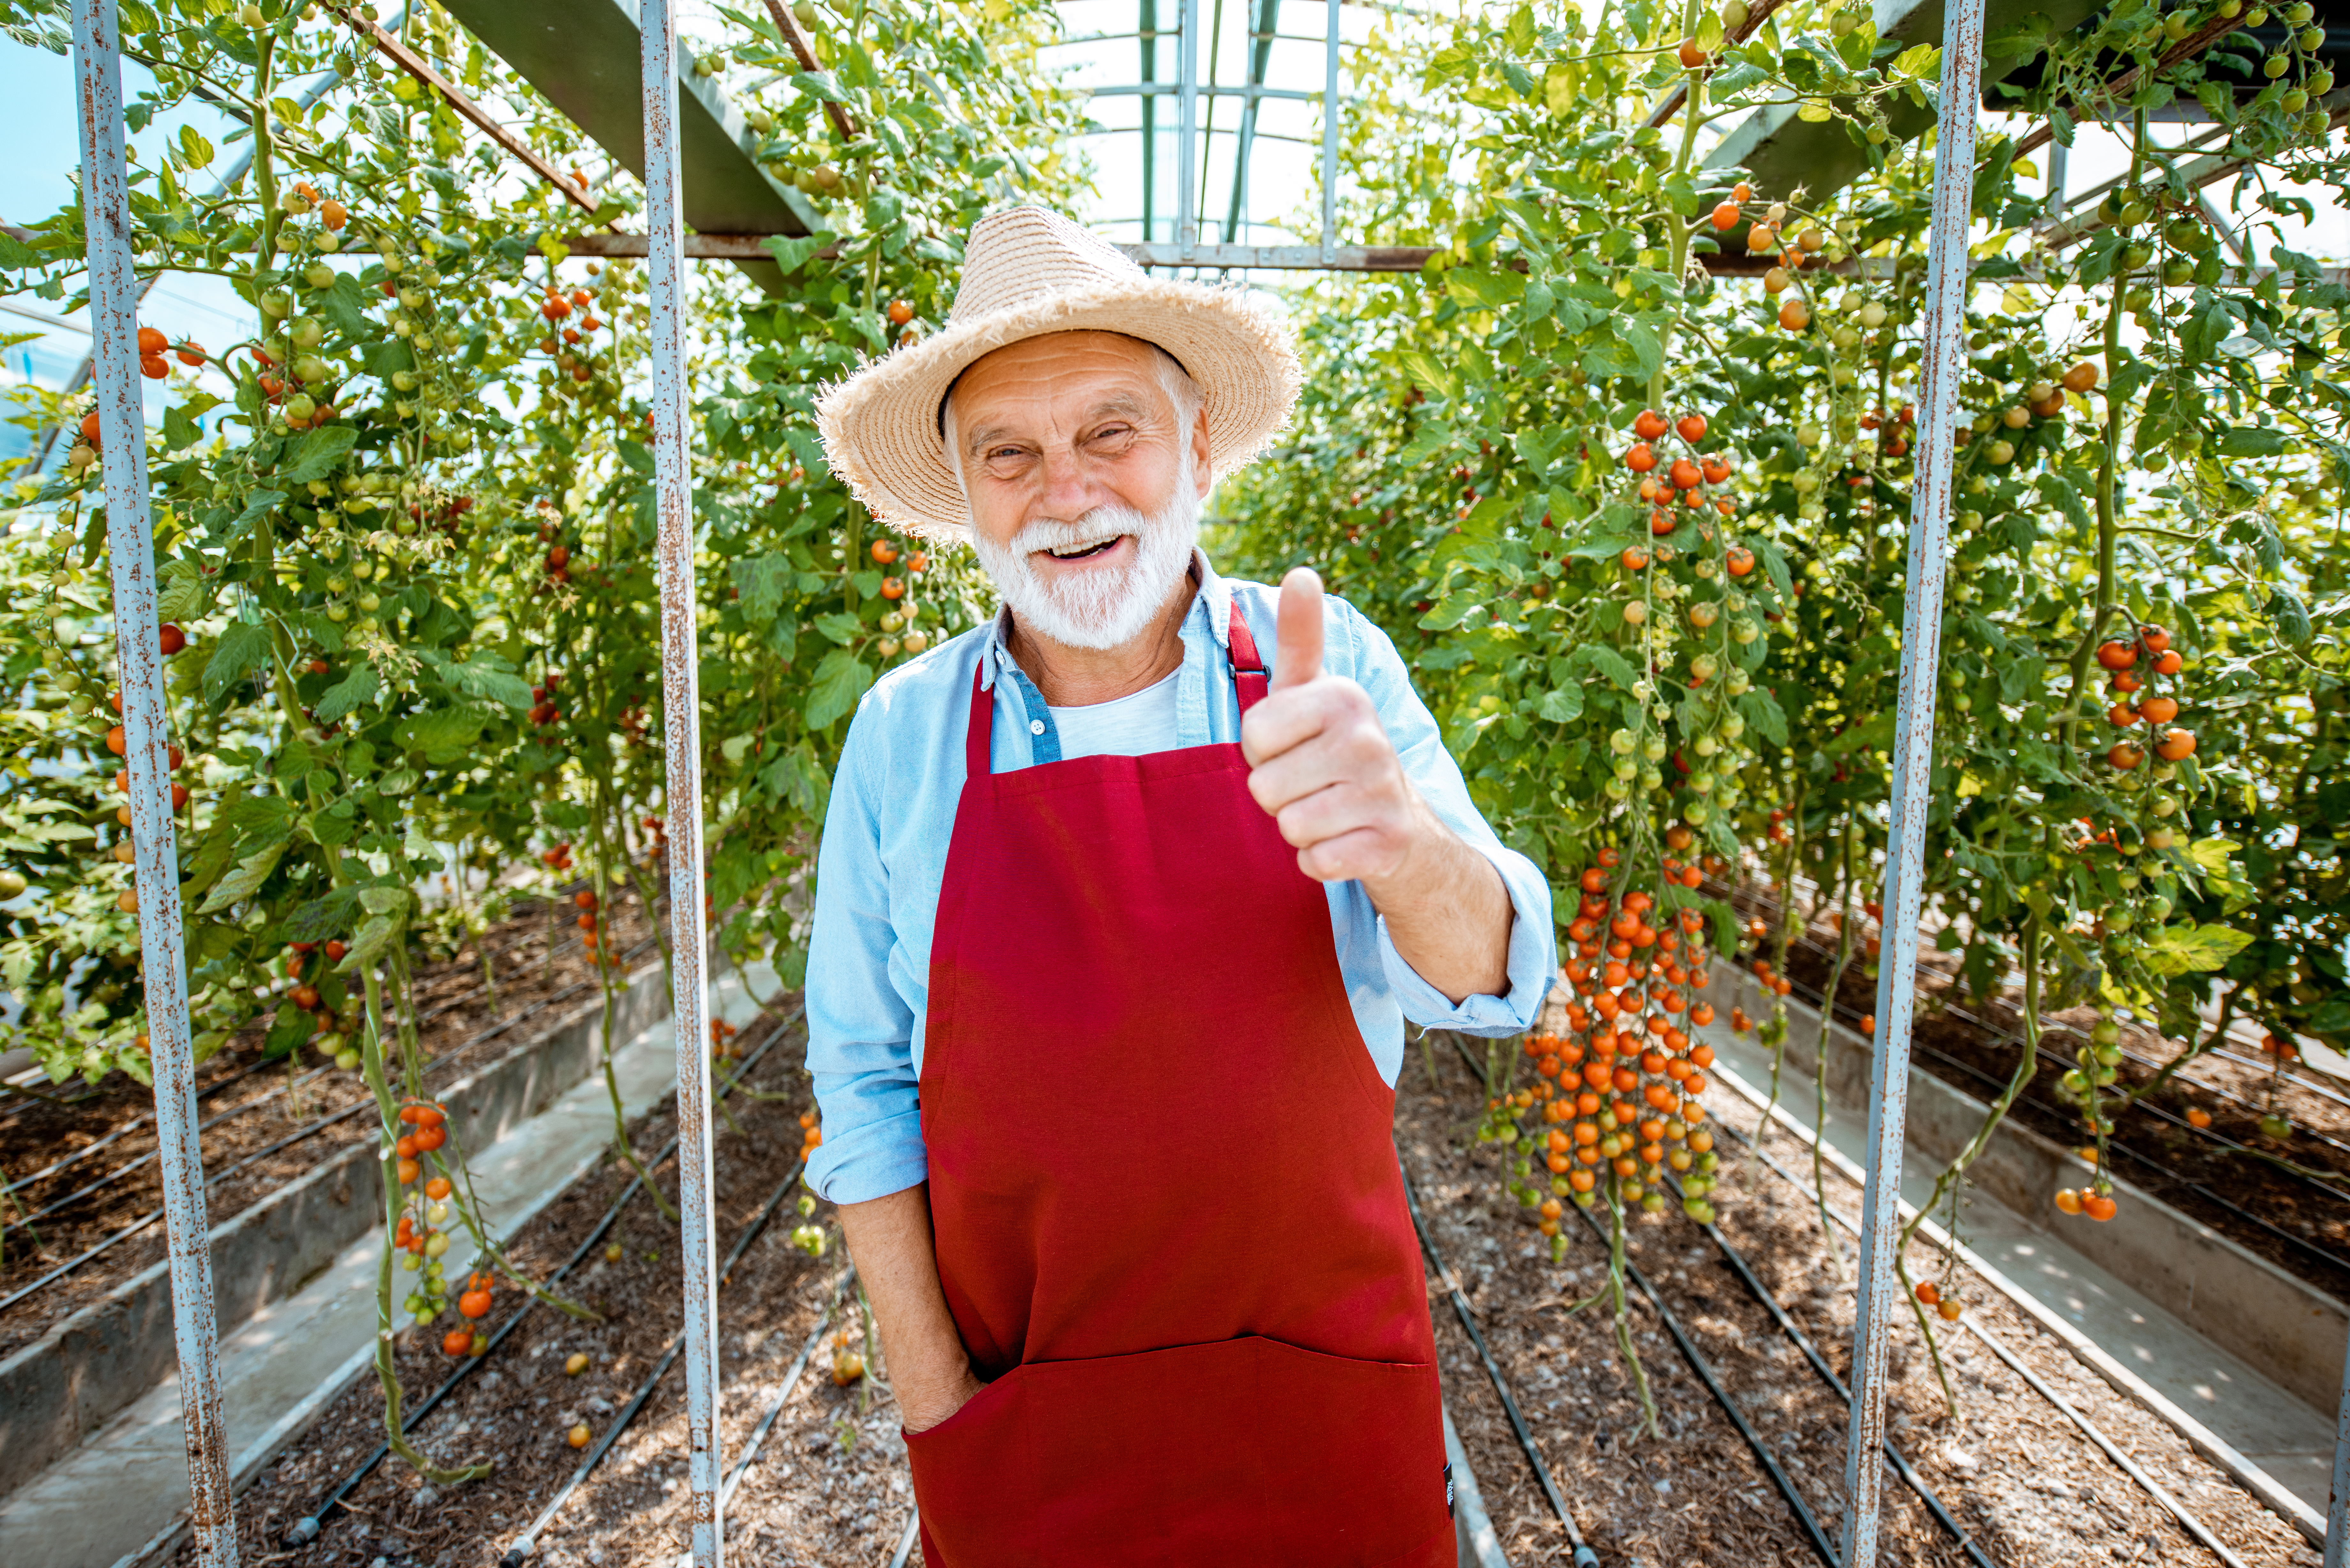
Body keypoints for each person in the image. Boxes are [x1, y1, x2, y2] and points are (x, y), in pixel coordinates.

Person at [806, 206, 1554, 1566]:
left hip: (1322, 1396)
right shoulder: (904, 735)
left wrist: (1396, 842)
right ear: (965, 495)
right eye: (1010, 454)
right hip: (1027, 1413)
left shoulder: (1323, 670)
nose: (1069, 491)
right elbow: (860, 1087)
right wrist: (934, 1407)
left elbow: (1493, 980)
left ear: (1197, 442)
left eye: (1111, 430)